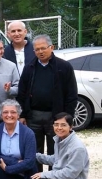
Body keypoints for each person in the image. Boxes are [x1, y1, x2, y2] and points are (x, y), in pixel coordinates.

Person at [17, 35, 77, 167]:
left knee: (55, 150)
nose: (40, 52)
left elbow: (72, 94)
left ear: (52, 48)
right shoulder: (29, 67)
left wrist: (67, 117)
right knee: (34, 150)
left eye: (43, 48)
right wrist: (22, 115)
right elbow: (21, 93)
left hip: (55, 116)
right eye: (37, 49)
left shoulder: (64, 67)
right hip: (33, 116)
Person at [25, 113, 89, 179]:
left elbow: (70, 174)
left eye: (63, 125)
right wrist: (33, 156)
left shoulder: (77, 148)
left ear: (71, 127)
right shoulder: (60, 140)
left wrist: (44, 174)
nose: (59, 128)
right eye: (56, 124)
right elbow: (55, 159)